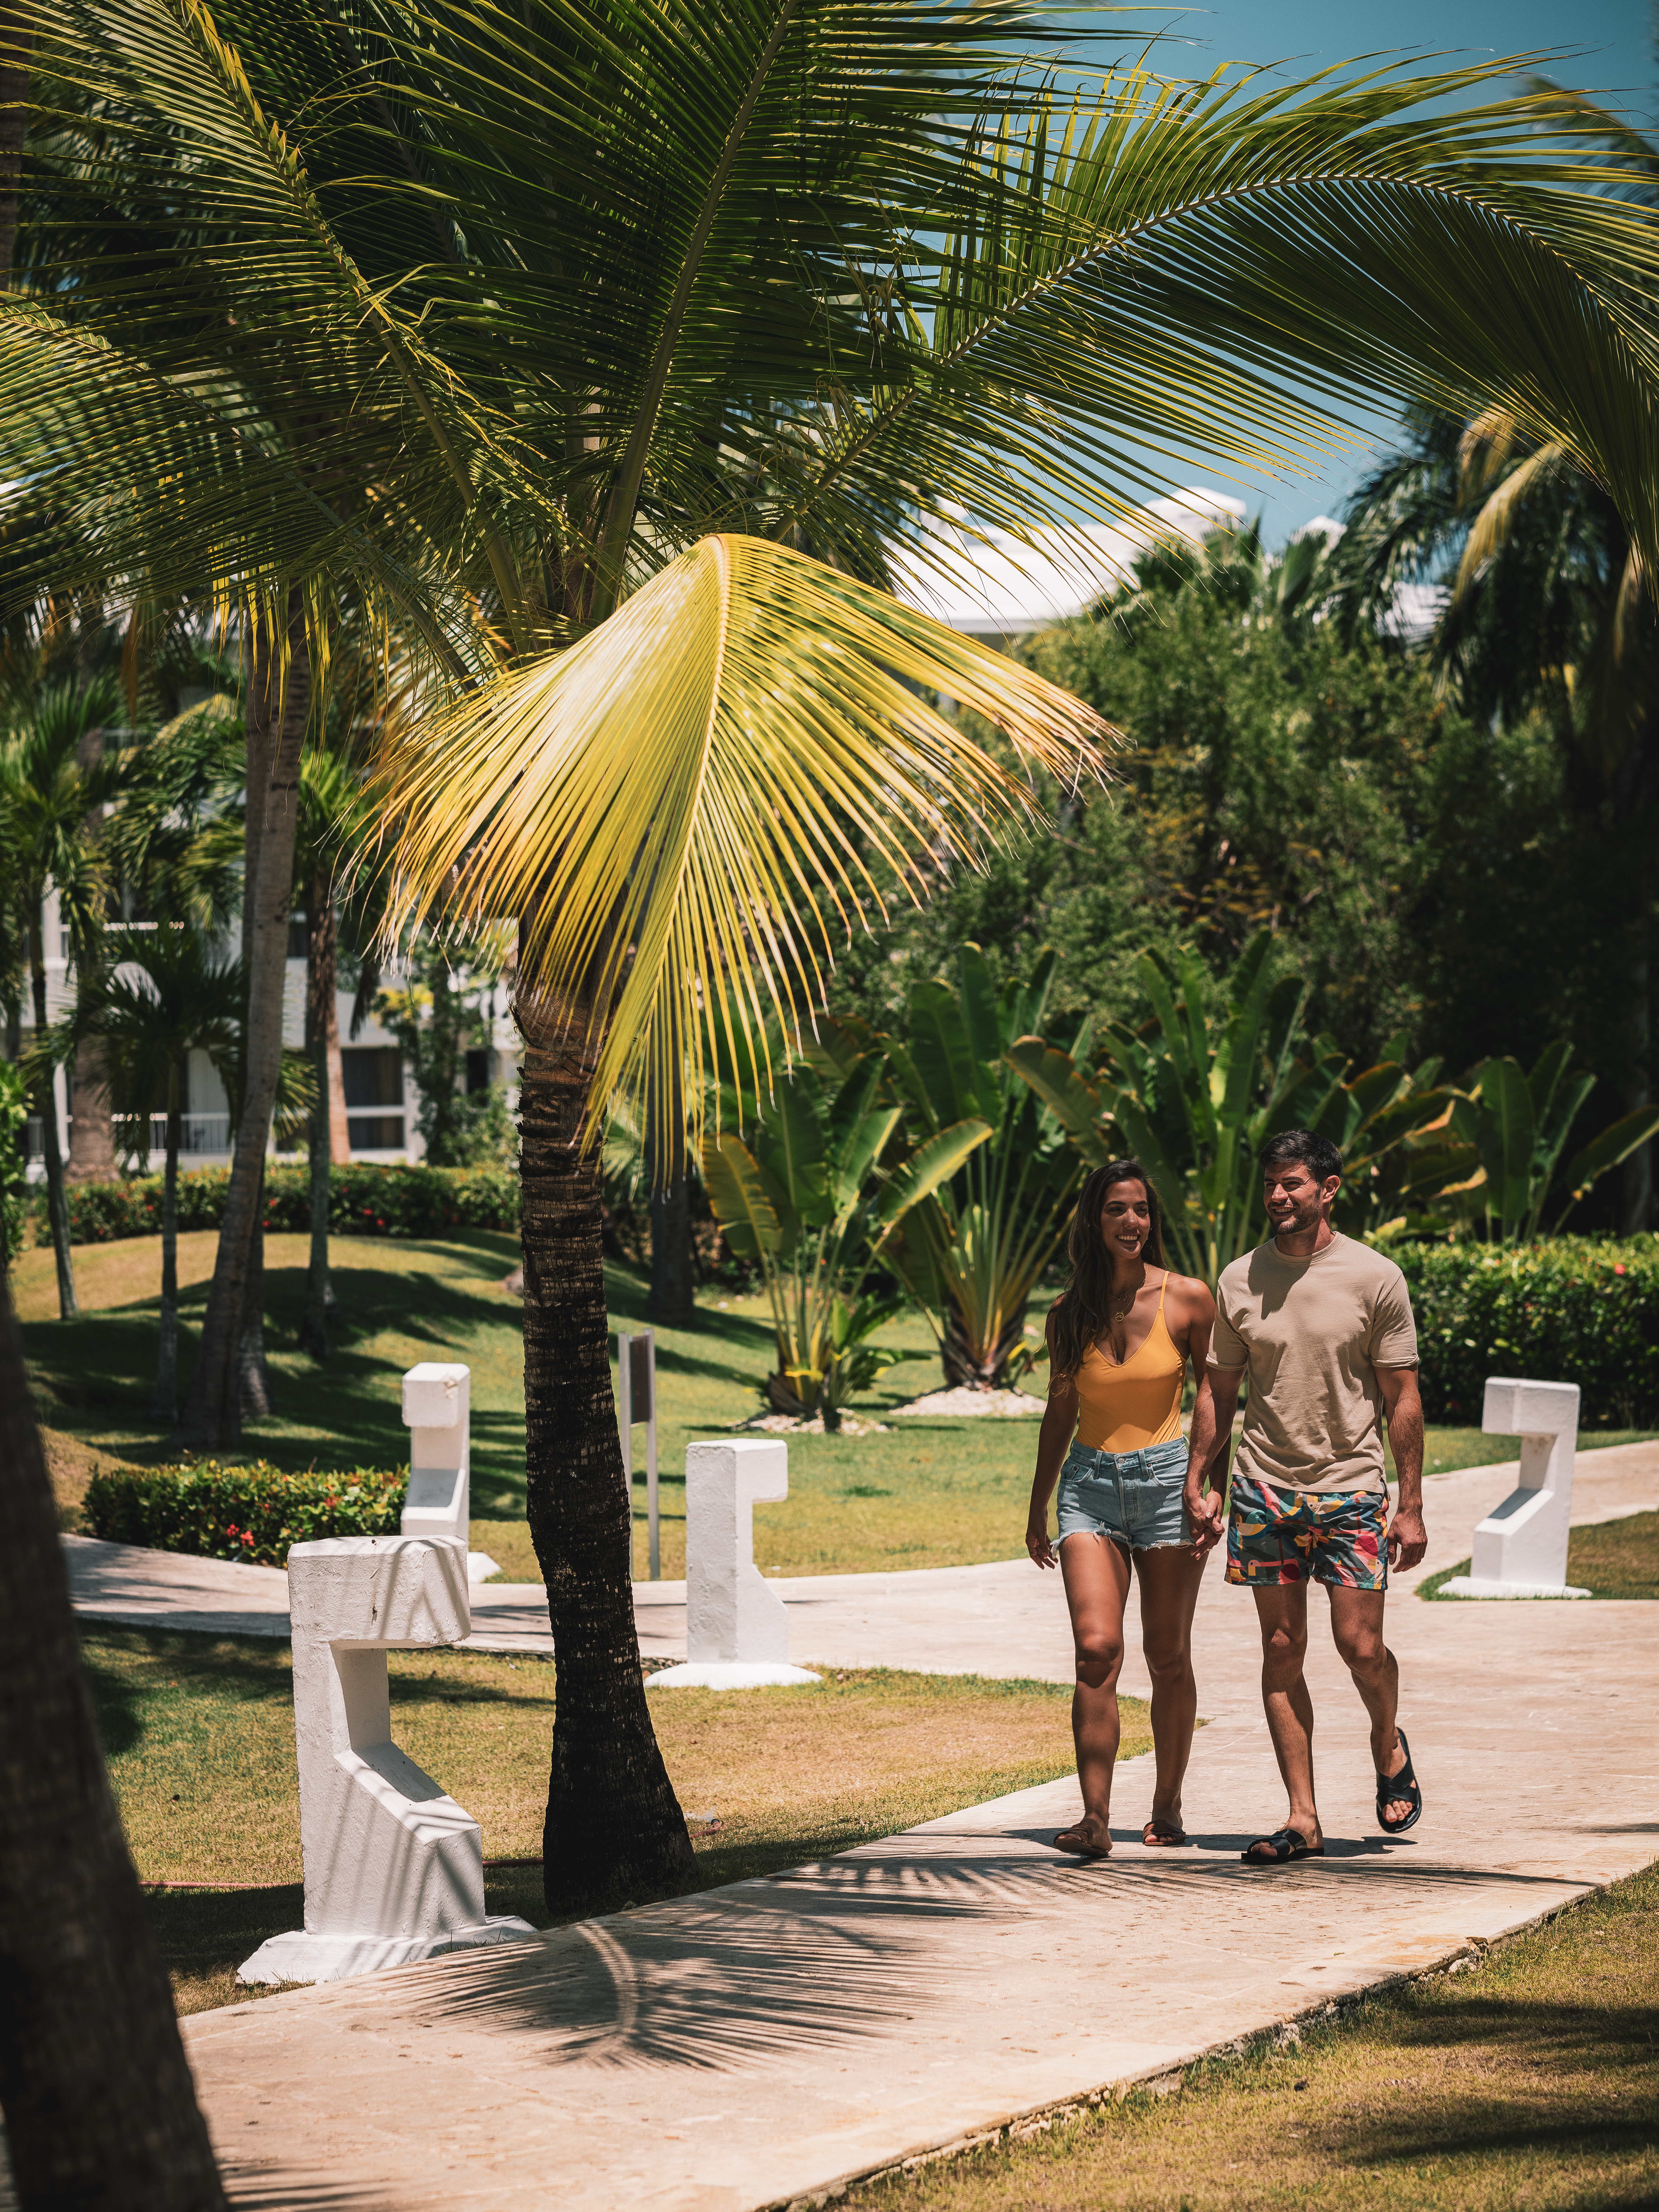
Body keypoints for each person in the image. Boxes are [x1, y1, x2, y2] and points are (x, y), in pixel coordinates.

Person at [1184, 1129, 1426, 1865]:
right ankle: (1302, 1817)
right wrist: (1201, 1476)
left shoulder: (1374, 1277)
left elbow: (1402, 1396)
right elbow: (1218, 1390)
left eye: (1292, 1184)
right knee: (1281, 1648)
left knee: (1359, 1647)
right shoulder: (1238, 1280)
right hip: (1263, 1488)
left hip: (1351, 1489)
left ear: (1329, 1189)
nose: (1278, 1197)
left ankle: (1386, 1743)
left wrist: (1409, 1504)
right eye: (1270, 1185)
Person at [1026, 1159, 1221, 1856]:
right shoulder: (1066, 1311)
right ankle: (1095, 1820)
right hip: (1089, 1489)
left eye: (1140, 1209)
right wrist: (1038, 1504)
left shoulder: (1189, 1299)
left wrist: (1208, 1483)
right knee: (1096, 1651)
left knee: (1166, 1655)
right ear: (1094, 1219)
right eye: (1116, 1209)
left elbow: (1216, 1396)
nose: (1131, 1222)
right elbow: (1060, 1408)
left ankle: (1166, 1806)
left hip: (1169, 1485)